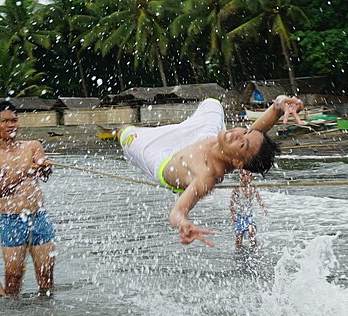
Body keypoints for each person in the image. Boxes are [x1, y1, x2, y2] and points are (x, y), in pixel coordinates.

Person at [118, 95, 303, 246]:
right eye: (246, 131)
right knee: (212, 103)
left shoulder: (206, 176)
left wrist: (183, 223)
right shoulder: (233, 143)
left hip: (161, 157)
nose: (239, 132)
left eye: (243, 142)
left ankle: (122, 131)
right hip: (201, 137)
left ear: (237, 162)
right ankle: (182, 125)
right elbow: (264, 123)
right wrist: (280, 105)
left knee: (124, 134)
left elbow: (177, 211)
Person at [0, 101, 56, 296]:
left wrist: (45, 167)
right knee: (13, 276)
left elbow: (44, 176)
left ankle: (47, 312)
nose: (12, 125)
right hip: (11, 219)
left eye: (14, 120)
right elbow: (0, 188)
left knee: (46, 273)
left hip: (38, 216)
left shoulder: (32, 146)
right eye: (5, 121)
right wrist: (26, 170)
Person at [230, 169, 266, 248]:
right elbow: (231, 203)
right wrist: (232, 214)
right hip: (239, 216)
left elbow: (259, 200)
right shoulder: (237, 188)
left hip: (249, 215)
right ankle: (238, 250)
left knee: (251, 233)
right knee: (239, 236)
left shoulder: (253, 188)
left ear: (252, 177)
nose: (246, 178)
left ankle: (254, 248)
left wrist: (263, 209)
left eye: (248, 175)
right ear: (240, 177)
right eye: (243, 175)